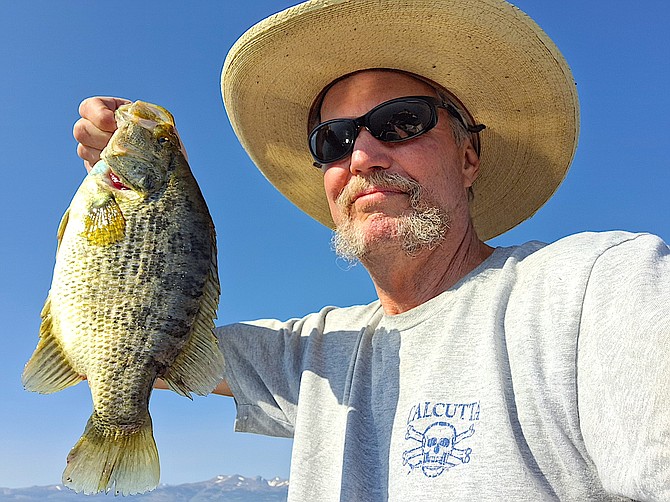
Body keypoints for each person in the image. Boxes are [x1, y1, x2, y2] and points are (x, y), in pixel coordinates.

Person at [73, 0, 669, 500]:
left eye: (402, 122)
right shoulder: (312, 356)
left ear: (469, 158)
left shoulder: (601, 288)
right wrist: (143, 188)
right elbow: (133, 342)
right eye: (333, 140)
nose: (362, 156)